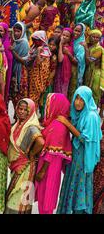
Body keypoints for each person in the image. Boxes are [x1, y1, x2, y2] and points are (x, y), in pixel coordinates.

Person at [58, 86, 102, 214]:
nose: (78, 102)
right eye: (76, 98)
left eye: (82, 99)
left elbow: (84, 139)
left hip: (83, 158)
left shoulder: (91, 116)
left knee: (80, 185)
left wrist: (67, 124)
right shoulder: (80, 114)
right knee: (73, 183)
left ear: (87, 100)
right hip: (76, 157)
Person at [5, 98, 45, 214]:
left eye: (25, 110)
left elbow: (41, 142)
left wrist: (31, 154)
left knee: (19, 198)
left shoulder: (31, 127)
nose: (21, 112)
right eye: (19, 108)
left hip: (26, 168)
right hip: (17, 165)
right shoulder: (19, 124)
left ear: (31, 111)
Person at [35, 93, 72, 214]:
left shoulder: (58, 125)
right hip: (50, 165)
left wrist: (42, 171)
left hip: (49, 167)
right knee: (45, 197)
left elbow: (52, 151)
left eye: (50, 104)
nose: (48, 106)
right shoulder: (56, 122)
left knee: (46, 197)